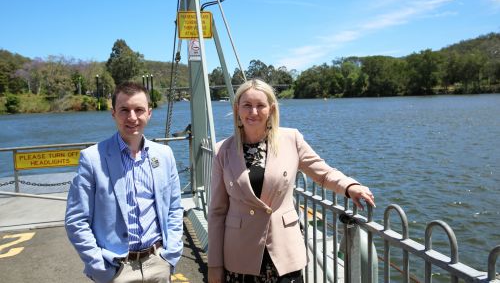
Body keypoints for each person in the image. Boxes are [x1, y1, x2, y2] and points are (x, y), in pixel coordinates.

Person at [207, 79, 375, 283]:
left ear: (271, 109)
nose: (254, 112)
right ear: (237, 109)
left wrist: (350, 186)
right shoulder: (222, 151)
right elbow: (217, 212)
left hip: (283, 252)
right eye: (247, 105)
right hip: (240, 255)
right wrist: (214, 265)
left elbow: (323, 173)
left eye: (260, 105)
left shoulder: (291, 139)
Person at [65, 82, 183, 283]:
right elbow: (76, 220)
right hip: (116, 269)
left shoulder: (164, 155)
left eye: (139, 110)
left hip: (158, 263)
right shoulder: (92, 159)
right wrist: (99, 267)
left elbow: (174, 208)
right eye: (124, 110)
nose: (132, 117)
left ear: (149, 113)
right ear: (113, 114)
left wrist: (170, 255)